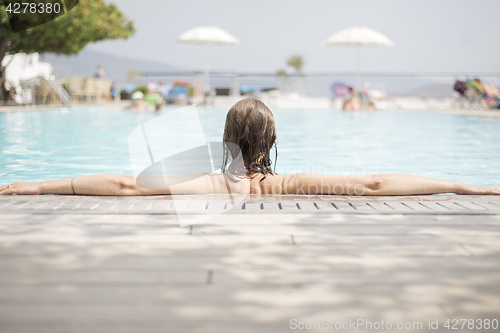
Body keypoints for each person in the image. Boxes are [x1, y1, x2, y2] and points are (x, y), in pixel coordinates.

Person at [1, 98, 499, 196]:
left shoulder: (209, 182)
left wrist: (35, 186)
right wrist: (461, 184)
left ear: (226, 136)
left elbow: (125, 184)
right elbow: (374, 183)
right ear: (274, 138)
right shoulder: (294, 183)